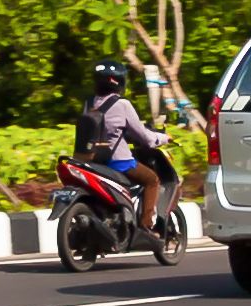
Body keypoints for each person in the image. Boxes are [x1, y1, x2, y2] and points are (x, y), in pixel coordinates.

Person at [73, 64, 179, 245]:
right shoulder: (122, 105)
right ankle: (146, 226)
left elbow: (103, 129)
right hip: (118, 162)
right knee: (152, 180)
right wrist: (163, 138)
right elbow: (145, 137)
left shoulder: (89, 103)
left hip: (90, 161)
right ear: (120, 81)